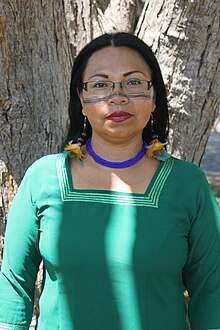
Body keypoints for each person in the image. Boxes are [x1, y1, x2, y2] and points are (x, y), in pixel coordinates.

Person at [0, 32, 219, 330]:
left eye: (133, 82)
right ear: (81, 99)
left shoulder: (188, 185)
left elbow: (212, 292)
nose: (118, 96)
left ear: (154, 97)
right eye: (101, 84)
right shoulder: (43, 178)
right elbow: (14, 285)